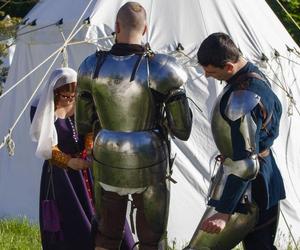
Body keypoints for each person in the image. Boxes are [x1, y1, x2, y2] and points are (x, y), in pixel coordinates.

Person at [76, 2, 193, 250]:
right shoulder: (162, 67)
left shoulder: (90, 66)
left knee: (107, 235)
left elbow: (83, 123)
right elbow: (182, 129)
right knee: (152, 239)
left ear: (116, 26)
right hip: (148, 160)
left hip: (106, 155)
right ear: (146, 29)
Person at [186, 33, 286, 250]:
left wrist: (224, 211)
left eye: (211, 71)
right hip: (264, 178)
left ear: (229, 67)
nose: (207, 75)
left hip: (249, 185)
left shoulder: (243, 96)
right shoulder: (254, 76)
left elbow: (245, 163)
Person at [30, 67, 95, 250]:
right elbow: (47, 148)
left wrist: (89, 149)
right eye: (65, 96)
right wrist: (69, 162)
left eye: (73, 95)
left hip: (87, 171)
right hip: (61, 176)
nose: (69, 99)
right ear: (55, 92)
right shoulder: (41, 109)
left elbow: (89, 129)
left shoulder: (82, 105)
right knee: (71, 224)